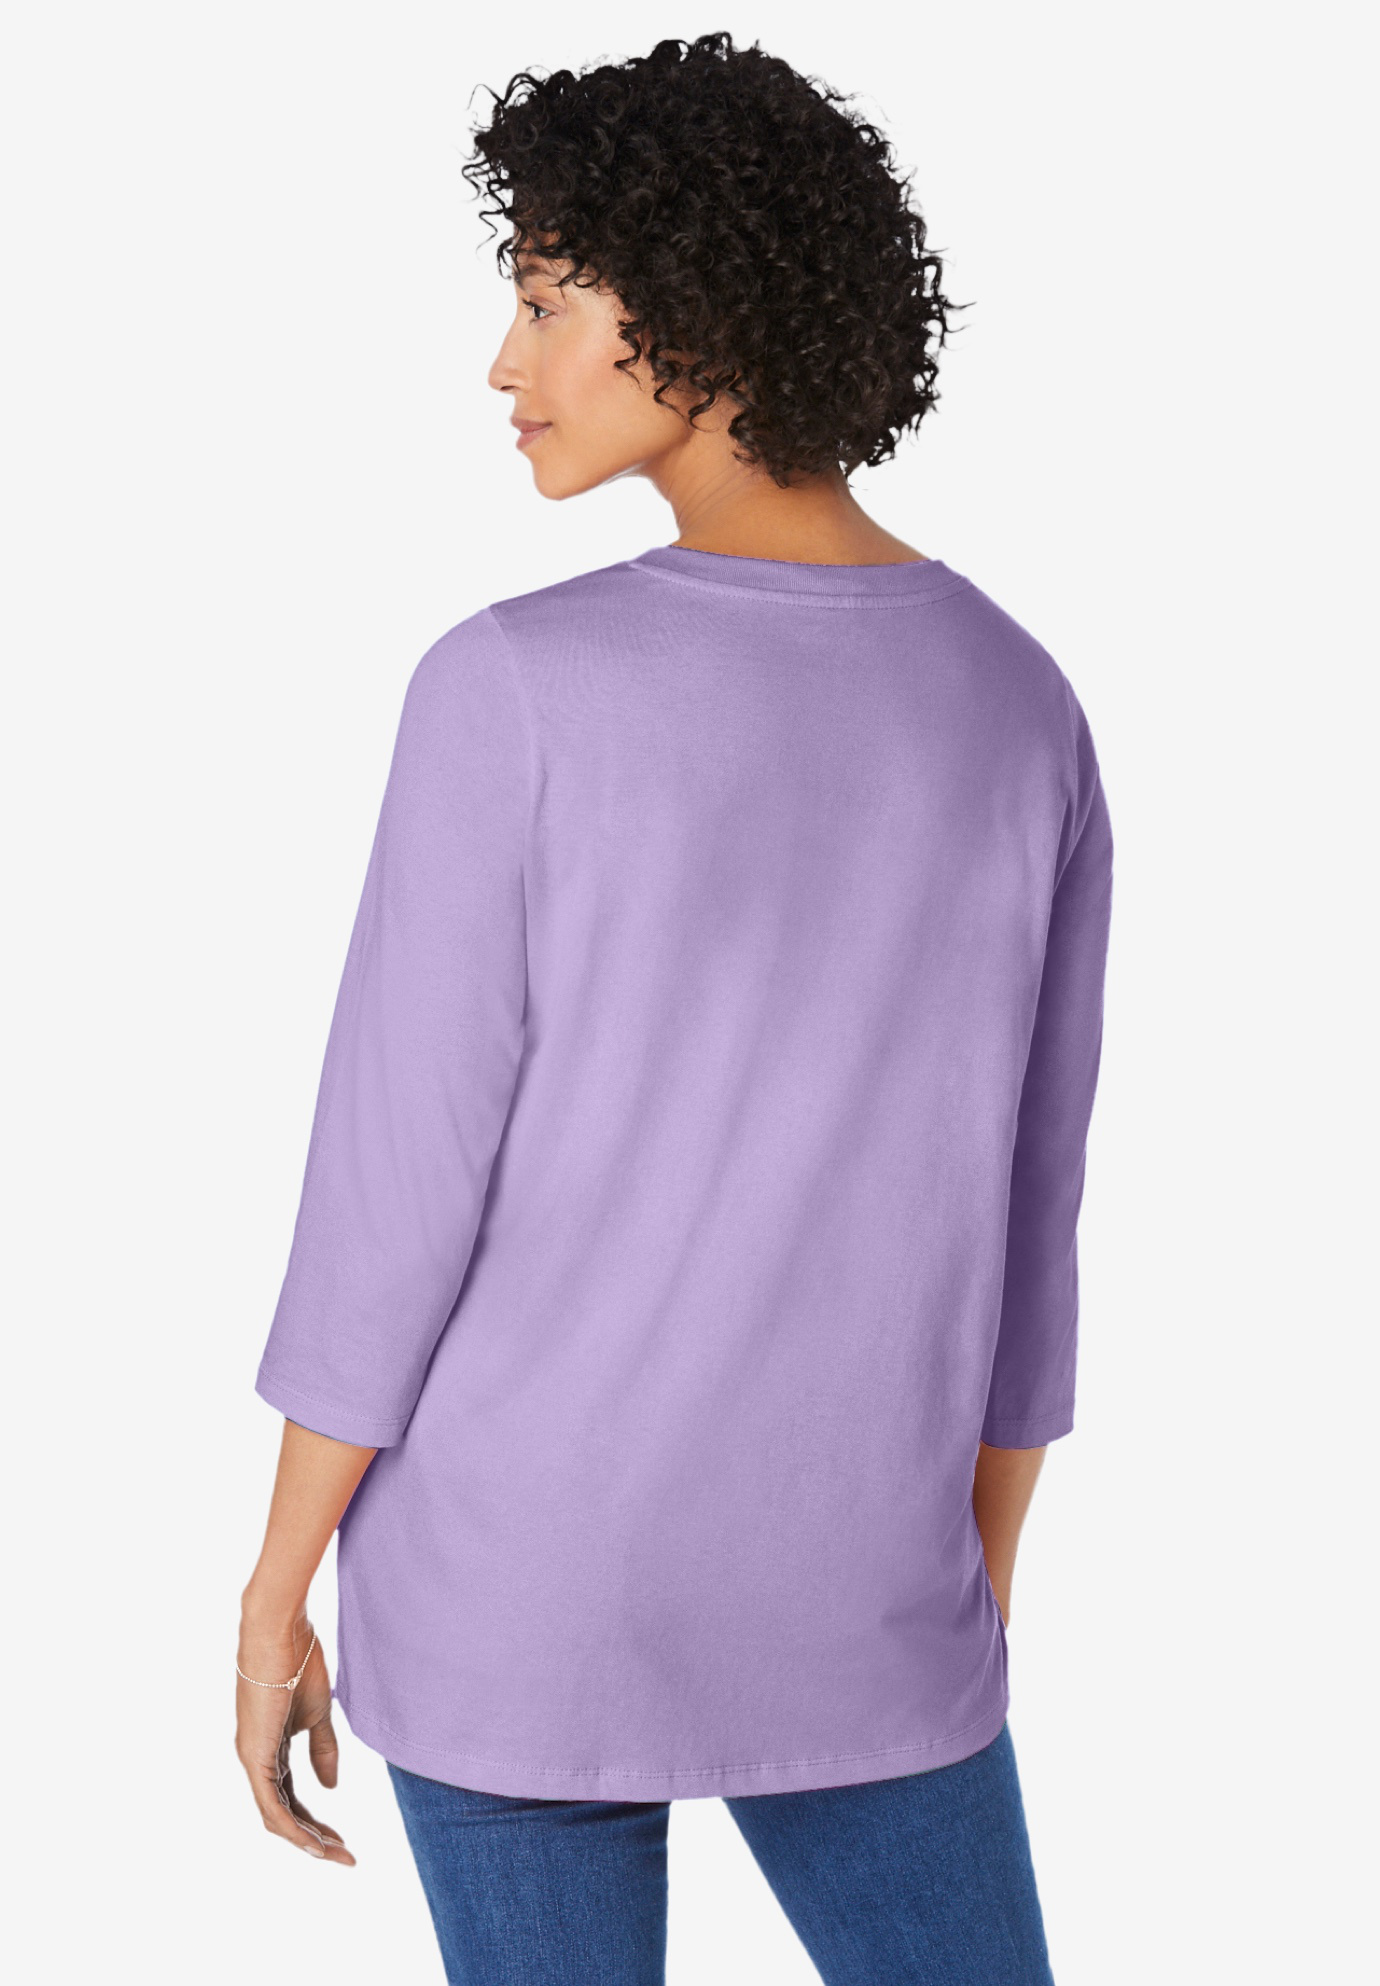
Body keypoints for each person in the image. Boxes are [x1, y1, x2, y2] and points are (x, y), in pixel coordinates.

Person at [235, 31, 1113, 1986]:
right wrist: (964, 1590)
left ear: (699, 315)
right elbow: (1029, 1226)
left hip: (514, 1593)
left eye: (549, 303)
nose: (504, 363)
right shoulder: (1020, 705)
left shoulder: (506, 692)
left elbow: (394, 1197)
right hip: (864, 1591)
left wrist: (277, 1580)